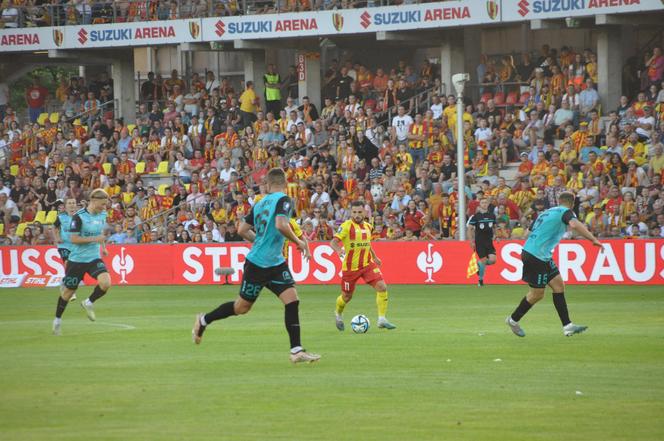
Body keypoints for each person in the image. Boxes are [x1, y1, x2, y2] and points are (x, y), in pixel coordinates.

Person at [192, 168, 320, 364]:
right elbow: (280, 225)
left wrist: (259, 240)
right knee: (241, 307)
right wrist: (299, 242)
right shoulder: (284, 200)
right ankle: (203, 321)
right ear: (284, 183)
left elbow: (242, 229)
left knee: (292, 300)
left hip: (274, 262)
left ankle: (296, 350)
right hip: (259, 265)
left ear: (268, 184)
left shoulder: (260, 203)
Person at [506, 191, 604, 338]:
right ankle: (513, 320)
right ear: (572, 203)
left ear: (559, 200)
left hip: (539, 254)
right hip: (535, 256)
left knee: (558, 285)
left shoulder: (546, 212)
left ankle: (568, 326)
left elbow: (528, 232)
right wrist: (593, 239)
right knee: (537, 294)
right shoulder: (566, 212)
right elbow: (574, 224)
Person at [330, 201, 396, 332]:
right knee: (346, 297)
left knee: (382, 287)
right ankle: (338, 313)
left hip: (367, 264)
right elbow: (333, 242)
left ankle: (382, 319)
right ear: (351, 213)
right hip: (350, 268)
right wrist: (338, 250)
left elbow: (367, 243)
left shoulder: (368, 226)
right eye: (354, 212)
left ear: (364, 212)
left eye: (360, 212)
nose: (357, 215)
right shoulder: (346, 226)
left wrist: (375, 257)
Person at [52, 189, 111, 336]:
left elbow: (101, 234)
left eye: (105, 205)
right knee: (68, 293)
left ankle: (89, 303)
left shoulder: (103, 215)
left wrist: (103, 246)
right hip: (77, 260)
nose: (104, 207)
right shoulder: (78, 217)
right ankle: (57, 320)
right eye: (102, 204)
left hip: (93, 258)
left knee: (106, 283)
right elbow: (74, 239)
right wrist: (95, 239)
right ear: (94, 201)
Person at [53, 198, 79, 301]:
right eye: (70, 203)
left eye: (73, 203)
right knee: (68, 264)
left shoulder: (80, 217)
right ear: (66, 205)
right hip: (64, 245)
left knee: (74, 269)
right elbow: (55, 227)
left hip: (76, 246)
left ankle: (64, 283)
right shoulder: (61, 217)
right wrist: (57, 238)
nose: (72, 205)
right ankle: (71, 291)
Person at [467, 197, 496, 287]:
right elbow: (470, 229)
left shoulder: (492, 215)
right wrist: (471, 241)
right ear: (480, 205)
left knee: (493, 260)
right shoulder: (476, 216)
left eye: (485, 202)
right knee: (483, 261)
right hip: (480, 242)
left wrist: (496, 235)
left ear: (488, 204)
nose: (484, 204)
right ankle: (480, 280)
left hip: (489, 241)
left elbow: (494, 227)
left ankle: (478, 265)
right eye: (482, 203)